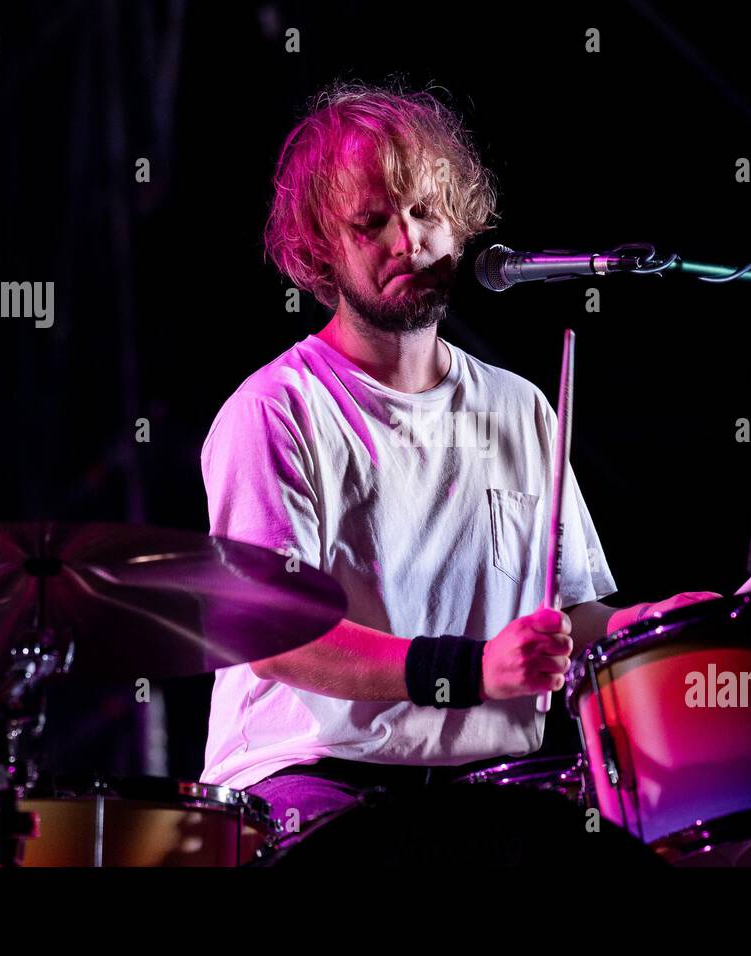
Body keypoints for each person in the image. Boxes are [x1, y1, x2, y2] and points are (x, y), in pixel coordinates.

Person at [200, 81, 717, 839]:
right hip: (310, 782)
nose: (408, 242)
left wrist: (652, 628)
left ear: (462, 222)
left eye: (425, 213)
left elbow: (566, 613)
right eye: (371, 223)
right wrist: (472, 671)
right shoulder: (275, 410)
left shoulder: (521, 408)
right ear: (320, 249)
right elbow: (273, 638)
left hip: (487, 785)